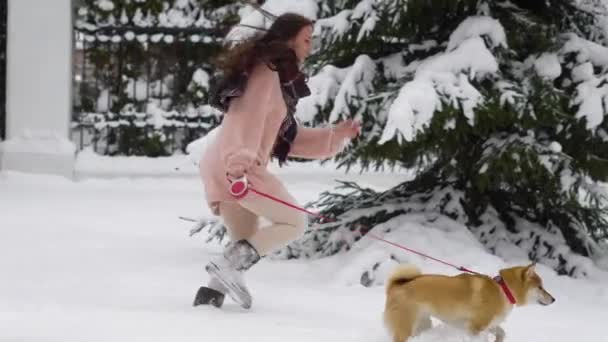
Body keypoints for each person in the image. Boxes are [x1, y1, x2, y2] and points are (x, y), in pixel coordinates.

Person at [194, 12, 361, 310]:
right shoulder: (265, 74)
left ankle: (208, 301)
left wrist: (336, 135)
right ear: (287, 40)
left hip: (227, 163)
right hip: (237, 166)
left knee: (242, 241)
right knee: (295, 221)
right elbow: (243, 118)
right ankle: (228, 269)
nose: (310, 47)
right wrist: (239, 168)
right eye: (306, 40)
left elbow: (287, 139)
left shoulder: (275, 80)